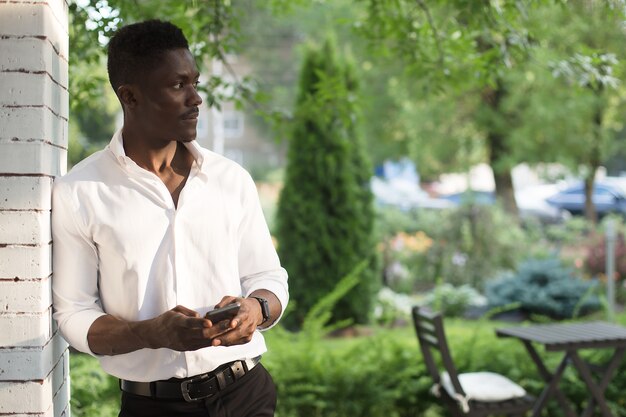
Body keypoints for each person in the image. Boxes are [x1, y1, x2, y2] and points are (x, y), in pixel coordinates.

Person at [51, 19, 288, 417]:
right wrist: (151, 333)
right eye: (178, 85)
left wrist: (256, 309)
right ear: (131, 96)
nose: (195, 98)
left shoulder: (231, 180)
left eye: (194, 82)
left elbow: (268, 279)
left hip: (247, 394)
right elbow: (74, 315)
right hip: (152, 406)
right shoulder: (80, 191)